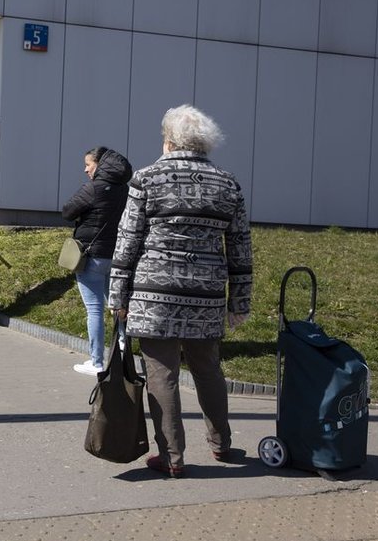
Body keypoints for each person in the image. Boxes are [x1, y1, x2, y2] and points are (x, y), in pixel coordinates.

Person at [109, 104, 252, 478]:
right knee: (208, 370)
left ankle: (172, 456)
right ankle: (221, 443)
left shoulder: (147, 178)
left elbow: (128, 241)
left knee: (162, 374)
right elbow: (239, 245)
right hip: (206, 294)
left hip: (154, 294)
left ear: (168, 141)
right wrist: (239, 301)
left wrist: (117, 297)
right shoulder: (228, 183)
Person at [61, 146, 132, 375]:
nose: (85, 170)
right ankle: (122, 350)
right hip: (117, 257)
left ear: (99, 165)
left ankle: (97, 362)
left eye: (88, 165)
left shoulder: (93, 188)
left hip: (92, 257)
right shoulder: (126, 190)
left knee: (94, 310)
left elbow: (68, 211)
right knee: (117, 306)